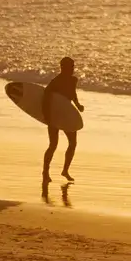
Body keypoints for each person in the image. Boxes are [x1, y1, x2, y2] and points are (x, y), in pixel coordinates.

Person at [42, 56, 84, 184]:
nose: (72, 69)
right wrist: (47, 116)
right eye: (70, 67)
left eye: (73, 66)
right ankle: (45, 172)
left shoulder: (73, 80)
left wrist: (78, 105)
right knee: (53, 145)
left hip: (67, 115)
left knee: (73, 143)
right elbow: (46, 97)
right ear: (62, 68)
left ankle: (65, 170)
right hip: (54, 116)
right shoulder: (56, 81)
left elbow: (73, 94)